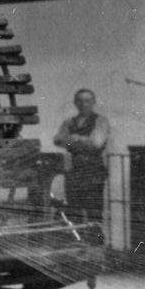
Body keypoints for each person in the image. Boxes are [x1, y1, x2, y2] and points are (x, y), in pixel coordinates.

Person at [53, 88, 110, 222]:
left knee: (94, 211)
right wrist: (83, 140)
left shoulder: (101, 121)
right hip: (74, 171)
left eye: (87, 101)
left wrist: (73, 139)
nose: (83, 104)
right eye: (79, 101)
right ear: (75, 103)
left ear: (93, 102)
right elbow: (58, 140)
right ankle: (78, 241)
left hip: (93, 172)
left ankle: (96, 242)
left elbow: (96, 143)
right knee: (74, 209)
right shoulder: (69, 122)